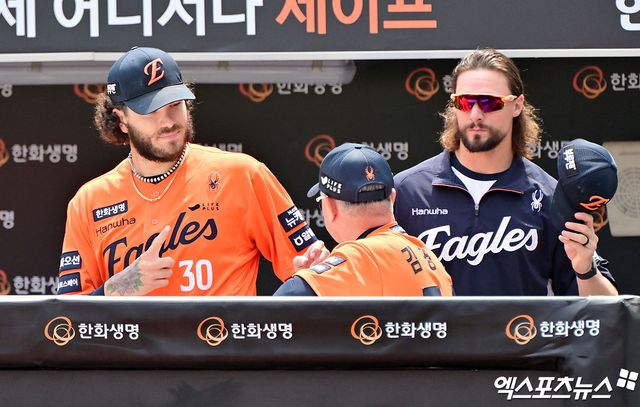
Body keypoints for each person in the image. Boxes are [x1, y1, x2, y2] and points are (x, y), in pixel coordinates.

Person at [57, 46, 327, 296]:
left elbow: (310, 270)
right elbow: (67, 319)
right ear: (121, 119)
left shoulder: (243, 174)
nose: (167, 122)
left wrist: (308, 274)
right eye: (150, 111)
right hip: (135, 336)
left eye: (174, 105)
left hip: (220, 334)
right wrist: (125, 284)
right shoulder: (88, 202)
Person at [394, 48, 617, 296]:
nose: (475, 114)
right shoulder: (406, 192)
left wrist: (586, 269)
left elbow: (607, 308)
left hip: (522, 324)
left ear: (517, 105)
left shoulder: (550, 197)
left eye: (489, 102)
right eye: (465, 102)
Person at [274, 143, 453, 296]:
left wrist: (308, 279)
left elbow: (273, 310)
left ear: (330, 207)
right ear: (392, 198)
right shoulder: (429, 258)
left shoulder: (359, 258)